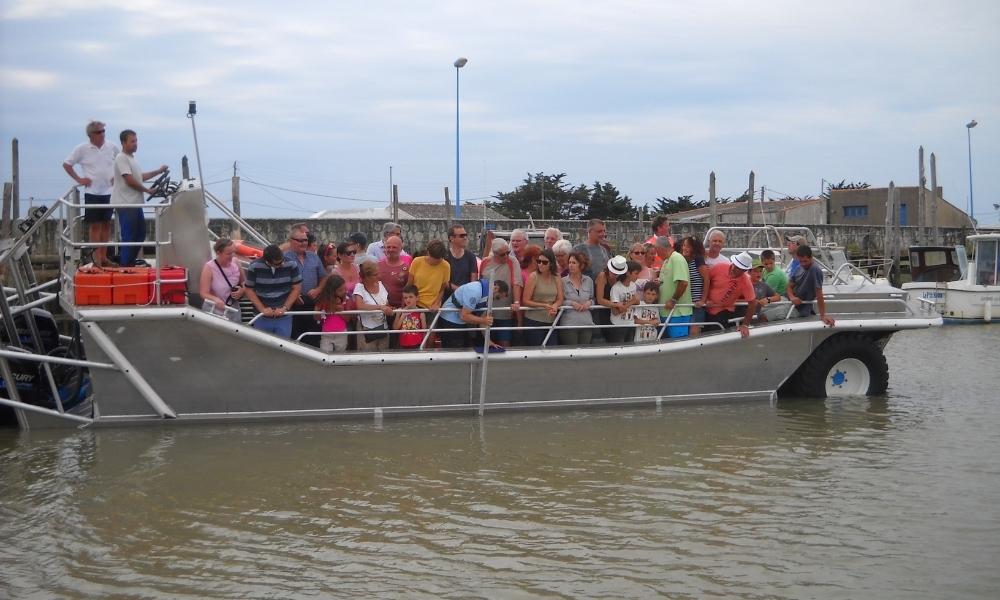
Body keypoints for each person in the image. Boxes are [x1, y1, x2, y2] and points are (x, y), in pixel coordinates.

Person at [63, 120, 119, 266]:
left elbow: (121, 162)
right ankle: (96, 259)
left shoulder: (112, 147)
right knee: (94, 226)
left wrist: (116, 177)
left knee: (107, 224)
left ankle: (104, 257)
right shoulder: (82, 149)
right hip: (92, 192)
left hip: (109, 192)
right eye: (99, 132)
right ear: (91, 135)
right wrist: (79, 179)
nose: (102, 134)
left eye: (103, 131)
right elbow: (67, 164)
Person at [110, 129, 167, 267]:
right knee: (129, 236)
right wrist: (147, 190)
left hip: (134, 203)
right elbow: (129, 180)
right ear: (123, 143)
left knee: (140, 234)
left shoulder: (131, 159)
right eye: (132, 141)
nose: (136, 144)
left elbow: (139, 177)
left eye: (136, 141)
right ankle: (125, 266)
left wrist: (158, 171)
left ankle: (129, 262)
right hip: (126, 203)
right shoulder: (121, 158)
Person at [244, 244, 302, 339]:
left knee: (284, 346)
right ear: (268, 262)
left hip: (284, 316)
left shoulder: (291, 264)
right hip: (261, 316)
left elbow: (297, 288)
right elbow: (249, 289)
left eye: (283, 260)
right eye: (278, 263)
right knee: (262, 346)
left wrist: (285, 308)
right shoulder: (254, 266)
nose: (282, 263)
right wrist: (262, 309)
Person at [284, 224, 327, 347]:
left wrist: (318, 289)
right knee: (295, 339)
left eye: (305, 240)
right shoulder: (284, 258)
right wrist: (293, 295)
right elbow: (281, 280)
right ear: (291, 241)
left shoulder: (314, 257)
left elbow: (323, 277)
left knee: (313, 339)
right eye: (300, 240)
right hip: (293, 305)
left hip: (312, 303)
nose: (303, 243)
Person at [438, 279, 509, 349]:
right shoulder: (475, 291)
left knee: (467, 347)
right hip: (449, 320)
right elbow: (465, 316)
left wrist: (488, 341)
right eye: (498, 297)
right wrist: (483, 320)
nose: (496, 300)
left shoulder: (487, 296)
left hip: (460, 321)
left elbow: (483, 319)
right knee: (455, 350)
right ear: (496, 288)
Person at [478, 239, 522, 348]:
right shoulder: (485, 262)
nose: (507, 256)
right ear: (494, 253)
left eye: (508, 252)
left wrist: (516, 302)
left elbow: (516, 283)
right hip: (487, 311)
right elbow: (480, 284)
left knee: (505, 342)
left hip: (505, 312)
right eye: (503, 254)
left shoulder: (512, 261)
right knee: (487, 342)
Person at [703, 251, 757, 338]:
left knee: (714, 336)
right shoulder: (719, 267)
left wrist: (745, 325)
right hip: (706, 308)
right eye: (734, 264)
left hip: (723, 312)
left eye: (738, 268)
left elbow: (753, 303)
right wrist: (705, 299)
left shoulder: (746, 282)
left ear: (744, 270)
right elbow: (706, 280)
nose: (733, 268)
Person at [522, 248, 564, 346]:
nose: (540, 264)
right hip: (534, 321)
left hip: (551, 321)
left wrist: (555, 306)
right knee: (536, 352)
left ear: (551, 264)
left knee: (552, 349)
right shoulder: (533, 277)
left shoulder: (557, 277)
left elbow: (560, 298)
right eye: (538, 261)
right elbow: (525, 301)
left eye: (544, 262)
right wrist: (544, 305)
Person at [786, 245, 836, 327]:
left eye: (805, 261)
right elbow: (789, 286)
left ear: (811, 258)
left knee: (765, 316)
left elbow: (819, 293)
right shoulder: (799, 267)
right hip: (790, 301)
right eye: (801, 261)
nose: (803, 264)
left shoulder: (815, 270)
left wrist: (823, 315)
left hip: (799, 308)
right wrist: (792, 297)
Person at [199, 238, 245, 321]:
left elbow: (244, 282)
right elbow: (203, 293)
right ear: (218, 253)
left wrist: (242, 290)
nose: (232, 256)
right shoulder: (209, 267)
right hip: (214, 311)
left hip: (233, 310)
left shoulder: (236, 262)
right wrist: (215, 299)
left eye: (233, 252)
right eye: (228, 253)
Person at [655, 236, 691, 338]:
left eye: (657, 251)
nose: (657, 254)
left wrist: (673, 300)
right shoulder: (667, 260)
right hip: (667, 312)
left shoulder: (677, 258)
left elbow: (683, 282)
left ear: (660, 249)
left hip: (677, 313)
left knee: (677, 343)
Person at [353, 260, 393, 351]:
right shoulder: (359, 287)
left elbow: (386, 303)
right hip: (366, 329)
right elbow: (360, 306)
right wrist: (380, 307)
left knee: (383, 356)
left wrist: (389, 309)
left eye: (378, 273)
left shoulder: (381, 285)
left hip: (383, 327)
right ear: (366, 277)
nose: (378, 276)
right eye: (375, 275)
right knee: (367, 358)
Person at [560, 251, 596, 346]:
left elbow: (593, 299)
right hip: (569, 324)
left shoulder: (589, 281)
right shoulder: (562, 281)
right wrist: (571, 303)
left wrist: (589, 303)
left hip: (586, 323)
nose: (571, 265)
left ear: (582, 265)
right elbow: (560, 301)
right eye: (569, 262)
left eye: (574, 263)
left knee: (584, 352)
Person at [679, 236, 710, 337]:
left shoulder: (698, 259)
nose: (685, 248)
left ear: (694, 248)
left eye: (688, 246)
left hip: (697, 304)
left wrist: (703, 300)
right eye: (684, 245)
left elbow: (706, 279)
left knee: (694, 332)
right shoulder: (683, 261)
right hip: (687, 304)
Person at [407, 239, 451, 310]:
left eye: (438, 259)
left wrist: (436, 303)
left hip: (432, 307)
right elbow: (409, 285)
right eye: (432, 258)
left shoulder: (446, 266)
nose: (435, 261)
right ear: (428, 253)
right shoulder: (417, 262)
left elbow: (442, 289)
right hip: (415, 305)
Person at [608, 258, 642, 344]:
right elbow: (615, 311)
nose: (637, 276)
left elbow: (637, 301)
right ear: (627, 273)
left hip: (631, 323)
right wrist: (631, 302)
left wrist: (634, 301)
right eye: (636, 273)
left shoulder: (633, 286)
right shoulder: (616, 288)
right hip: (619, 325)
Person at [314, 274, 350, 352]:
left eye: (344, 288)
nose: (344, 291)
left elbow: (348, 319)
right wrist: (323, 310)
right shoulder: (322, 300)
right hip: (326, 333)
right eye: (340, 290)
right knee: (325, 354)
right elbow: (315, 317)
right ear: (331, 290)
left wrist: (340, 311)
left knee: (340, 354)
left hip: (341, 332)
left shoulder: (346, 299)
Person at [444, 223, 478, 300]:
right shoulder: (444, 256)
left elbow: (473, 281)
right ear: (451, 238)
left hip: (465, 299)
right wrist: (460, 290)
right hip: (447, 299)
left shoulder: (471, 256)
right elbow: (442, 281)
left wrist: (466, 292)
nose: (465, 238)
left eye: (466, 235)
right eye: (462, 236)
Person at [377, 235, 411, 309]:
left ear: (401, 249)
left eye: (394, 247)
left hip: (399, 310)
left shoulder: (406, 268)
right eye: (388, 247)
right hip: (381, 310)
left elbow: (408, 291)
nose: (391, 249)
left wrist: (402, 310)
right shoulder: (377, 266)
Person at [751, 258, 785, 323]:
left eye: (760, 271)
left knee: (764, 317)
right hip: (742, 315)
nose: (758, 274)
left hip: (756, 315)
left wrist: (768, 300)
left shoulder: (763, 285)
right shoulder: (744, 284)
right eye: (755, 271)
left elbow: (778, 297)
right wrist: (752, 301)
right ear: (749, 272)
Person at [393, 285, 427, 350]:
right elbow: (395, 328)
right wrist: (401, 315)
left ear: (417, 298)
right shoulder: (401, 311)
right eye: (405, 298)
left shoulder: (421, 312)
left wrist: (424, 345)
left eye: (411, 297)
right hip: (403, 345)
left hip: (417, 344)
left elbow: (424, 330)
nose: (408, 300)